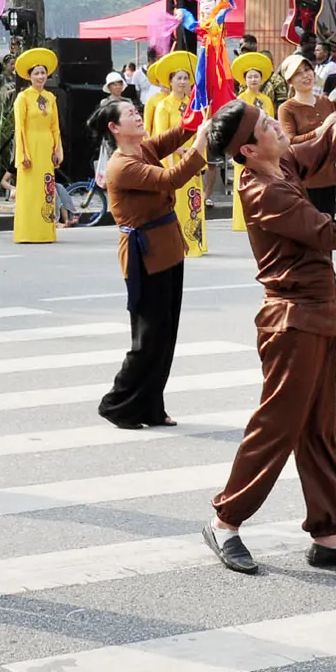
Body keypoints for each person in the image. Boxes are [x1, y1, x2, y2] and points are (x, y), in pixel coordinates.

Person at [199, 97, 336, 575]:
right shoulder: (264, 190)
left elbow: (316, 147)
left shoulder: (279, 163)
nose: (277, 125)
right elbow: (327, 231)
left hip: (316, 313)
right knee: (278, 426)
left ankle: (328, 533)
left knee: (319, 428)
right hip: (291, 319)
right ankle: (225, 520)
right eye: (267, 124)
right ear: (248, 150)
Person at [95, 96, 210, 428]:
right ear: (115, 128)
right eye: (131, 114)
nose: (138, 115)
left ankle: (150, 406)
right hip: (145, 255)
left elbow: (176, 135)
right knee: (147, 339)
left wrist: (197, 114)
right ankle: (117, 404)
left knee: (165, 335)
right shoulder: (121, 164)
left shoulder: (141, 149)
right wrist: (200, 141)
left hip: (167, 248)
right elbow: (171, 179)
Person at [142, 51, 207, 257]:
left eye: (185, 78)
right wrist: (179, 150)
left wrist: (196, 149)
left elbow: (201, 130)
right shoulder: (163, 105)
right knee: (178, 197)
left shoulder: (193, 105)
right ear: (169, 81)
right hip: (175, 158)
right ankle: (178, 243)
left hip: (193, 153)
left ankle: (195, 242)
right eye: (178, 78)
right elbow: (162, 136)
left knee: (193, 197)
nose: (182, 82)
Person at [276, 54, 336, 213]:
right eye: (298, 73)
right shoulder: (287, 108)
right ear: (289, 81)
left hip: (328, 176)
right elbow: (289, 141)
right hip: (303, 180)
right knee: (307, 231)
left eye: (307, 69)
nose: (305, 75)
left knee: (328, 229)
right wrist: (321, 129)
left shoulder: (326, 102)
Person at [11, 47, 61, 243]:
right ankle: (27, 232)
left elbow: (55, 127)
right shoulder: (23, 98)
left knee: (45, 188)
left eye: (43, 73)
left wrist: (57, 150)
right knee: (29, 191)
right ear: (29, 76)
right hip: (30, 145)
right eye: (36, 73)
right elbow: (19, 128)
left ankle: (45, 231)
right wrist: (23, 154)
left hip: (46, 146)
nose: (40, 76)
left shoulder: (51, 98)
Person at [229, 52, 275, 230]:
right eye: (250, 77)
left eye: (256, 76)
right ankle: (242, 221)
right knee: (244, 180)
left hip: (262, 146)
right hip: (244, 146)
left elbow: (271, 122)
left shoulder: (266, 100)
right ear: (244, 80)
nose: (253, 80)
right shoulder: (240, 100)